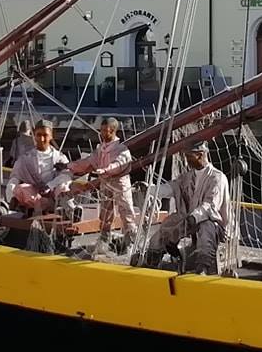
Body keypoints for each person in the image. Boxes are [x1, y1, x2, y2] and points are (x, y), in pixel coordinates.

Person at [143, 142, 235, 275]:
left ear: (200, 155)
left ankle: (203, 266)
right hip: (191, 219)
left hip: (216, 223)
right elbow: (172, 187)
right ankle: (152, 259)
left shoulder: (217, 178)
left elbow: (210, 205)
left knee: (206, 227)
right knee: (168, 225)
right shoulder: (188, 176)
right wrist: (149, 189)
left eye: (189, 157)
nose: (187, 161)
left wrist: (194, 217)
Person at [79, 116, 135, 248]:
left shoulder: (122, 149)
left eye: (106, 130)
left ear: (113, 131)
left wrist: (106, 169)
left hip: (120, 183)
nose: (103, 133)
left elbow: (119, 163)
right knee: (105, 212)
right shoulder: (100, 149)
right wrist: (70, 166)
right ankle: (104, 237)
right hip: (105, 182)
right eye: (102, 130)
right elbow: (88, 162)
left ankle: (130, 240)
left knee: (126, 211)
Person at [8, 120, 71, 214]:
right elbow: (15, 178)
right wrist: (11, 195)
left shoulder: (60, 157)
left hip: (54, 194)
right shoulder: (25, 158)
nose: (41, 139)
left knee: (63, 187)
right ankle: (44, 206)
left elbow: (67, 176)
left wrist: (50, 186)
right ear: (34, 135)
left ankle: (69, 210)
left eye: (45, 135)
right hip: (34, 195)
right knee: (21, 189)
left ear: (51, 136)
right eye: (38, 135)